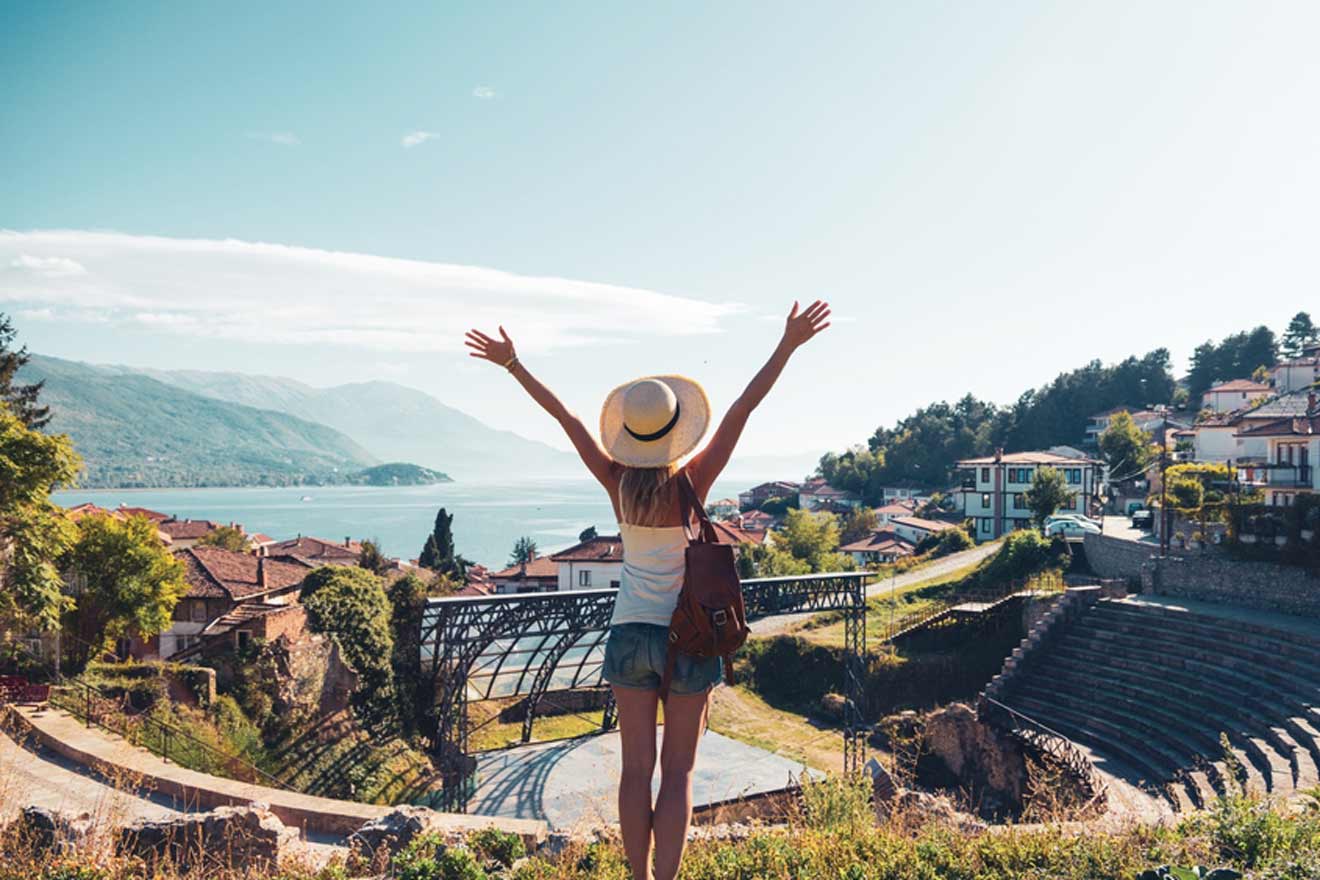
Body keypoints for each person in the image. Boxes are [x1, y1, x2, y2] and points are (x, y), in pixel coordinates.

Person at [464, 300, 831, 880]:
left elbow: (567, 420)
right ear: (677, 431)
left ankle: (635, 878)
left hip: (630, 635)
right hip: (688, 639)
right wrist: (786, 345)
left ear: (630, 435)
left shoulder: (617, 484)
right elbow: (742, 408)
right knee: (679, 772)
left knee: (636, 770)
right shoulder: (694, 483)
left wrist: (514, 365)